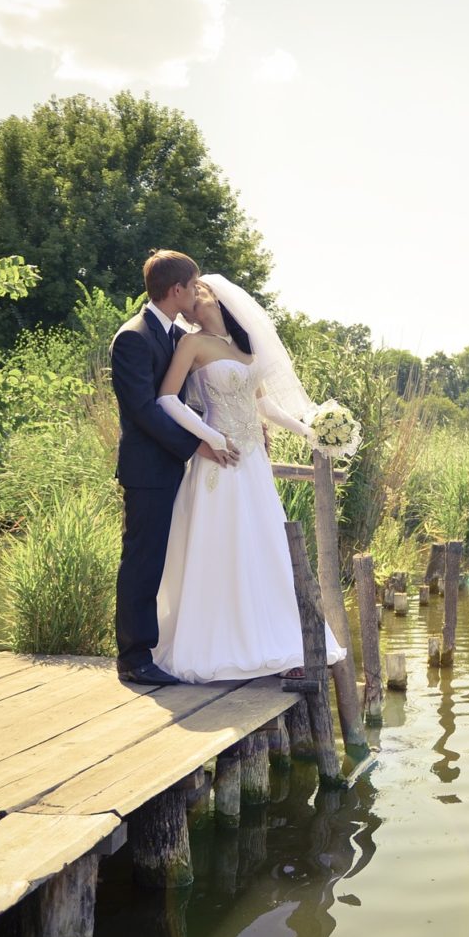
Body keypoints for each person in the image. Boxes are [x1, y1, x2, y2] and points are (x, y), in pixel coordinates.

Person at [150, 274, 347, 682]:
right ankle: (219, 642)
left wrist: (311, 431)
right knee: (220, 543)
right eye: (190, 293)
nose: (192, 300)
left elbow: (266, 407)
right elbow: (167, 399)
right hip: (219, 460)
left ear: (220, 301)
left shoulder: (244, 348)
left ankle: (270, 638)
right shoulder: (191, 343)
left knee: (263, 544)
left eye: (200, 293)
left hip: (254, 462)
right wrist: (210, 437)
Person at [110, 251, 239, 686]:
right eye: (194, 284)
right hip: (146, 471)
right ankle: (133, 658)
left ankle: (154, 648)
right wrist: (196, 444)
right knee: (142, 561)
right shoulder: (133, 337)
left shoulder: (172, 333)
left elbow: (183, 398)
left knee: (159, 560)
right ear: (177, 290)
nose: (197, 291)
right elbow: (144, 409)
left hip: (169, 467)